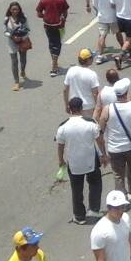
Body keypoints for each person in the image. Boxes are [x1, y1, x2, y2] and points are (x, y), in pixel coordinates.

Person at [56, 96, 106, 224]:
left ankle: (79, 216)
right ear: (82, 108)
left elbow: (60, 146)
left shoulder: (63, 127)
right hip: (90, 161)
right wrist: (104, 155)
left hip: (74, 164)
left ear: (69, 109)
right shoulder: (90, 123)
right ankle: (94, 210)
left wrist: (61, 161)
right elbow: (99, 140)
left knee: (76, 189)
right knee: (95, 184)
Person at [36, 0, 69, 78]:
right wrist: (62, 19)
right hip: (59, 26)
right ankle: (54, 67)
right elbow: (65, 12)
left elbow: (38, 13)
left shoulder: (43, 0)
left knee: (51, 43)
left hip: (47, 26)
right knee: (57, 44)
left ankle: (55, 62)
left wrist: (46, 16)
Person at [64, 48, 101, 117]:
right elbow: (95, 94)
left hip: (74, 107)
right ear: (88, 60)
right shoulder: (92, 74)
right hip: (88, 107)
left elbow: (65, 90)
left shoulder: (71, 70)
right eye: (92, 57)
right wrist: (98, 108)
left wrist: (67, 105)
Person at [4, 1, 32, 91]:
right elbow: (5, 31)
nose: (15, 11)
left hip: (22, 41)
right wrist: (12, 36)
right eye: (13, 9)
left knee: (23, 59)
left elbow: (28, 29)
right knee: (14, 62)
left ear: (19, 10)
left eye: (17, 9)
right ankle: (16, 82)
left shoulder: (23, 18)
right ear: (10, 10)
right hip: (12, 42)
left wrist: (21, 37)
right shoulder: (6, 19)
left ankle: (23, 71)